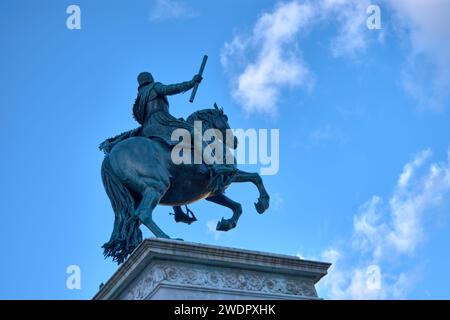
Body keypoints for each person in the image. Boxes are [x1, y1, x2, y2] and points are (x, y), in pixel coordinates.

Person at [132, 71, 202, 146]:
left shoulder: (139, 97)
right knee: (194, 132)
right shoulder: (154, 86)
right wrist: (191, 83)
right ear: (150, 78)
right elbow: (171, 89)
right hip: (161, 119)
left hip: (146, 126)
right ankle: (210, 157)